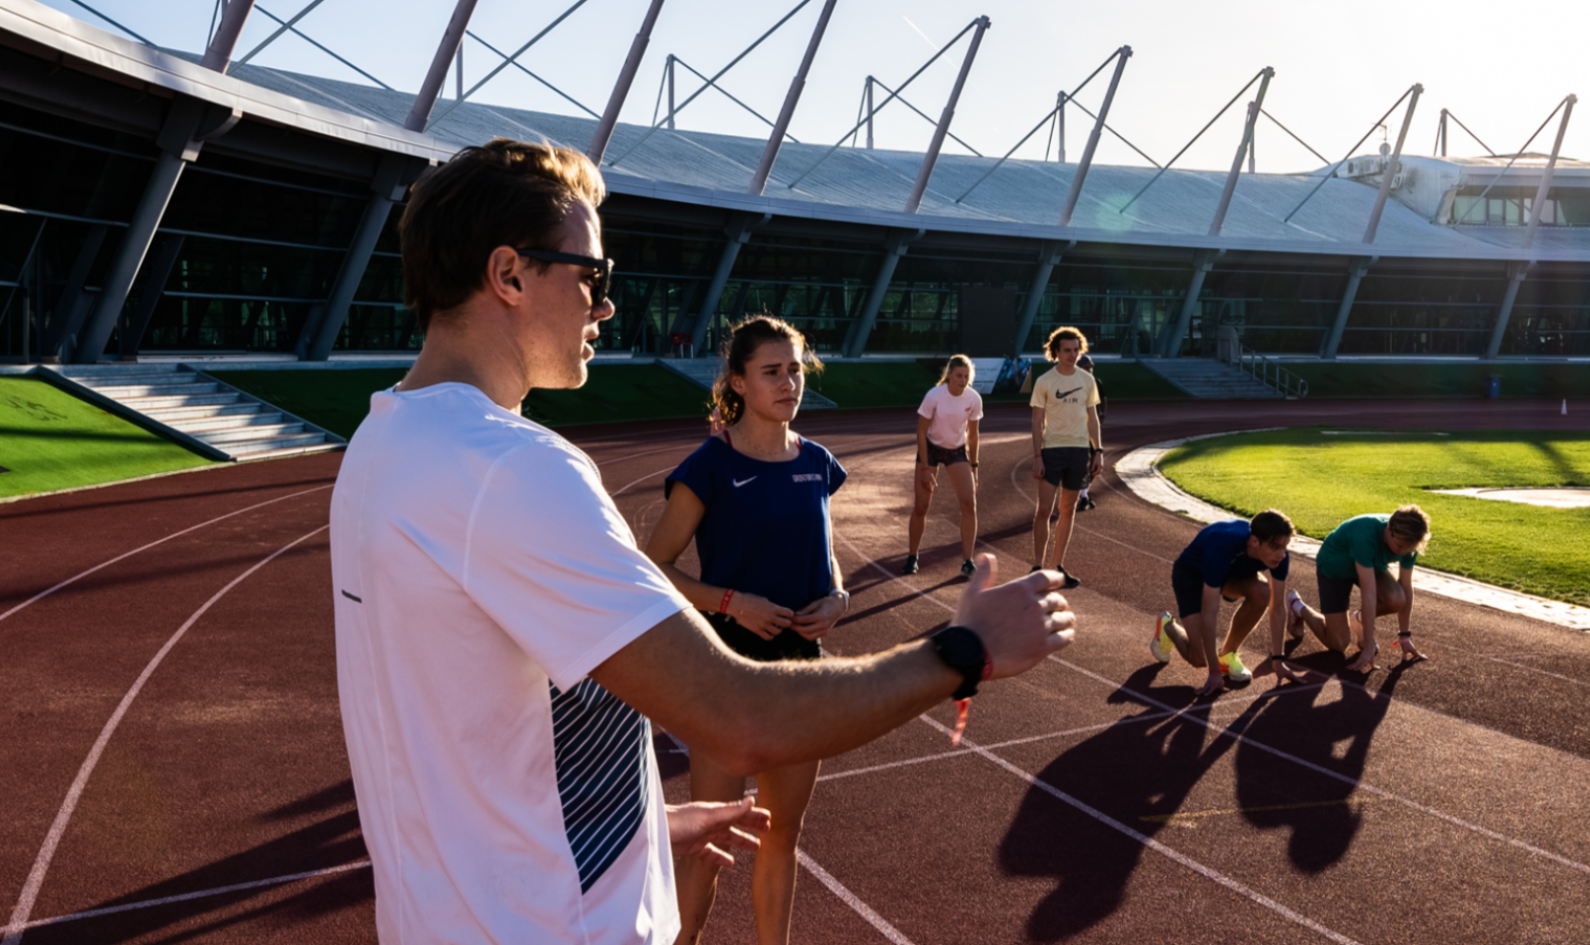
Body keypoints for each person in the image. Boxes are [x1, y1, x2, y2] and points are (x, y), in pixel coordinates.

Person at [329, 138, 1076, 945]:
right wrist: (963, 649)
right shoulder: (511, 469)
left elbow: (475, 727)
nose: (604, 305)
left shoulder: (381, 446)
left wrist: (641, 824)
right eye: (592, 276)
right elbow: (738, 713)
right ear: (509, 275)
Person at [645, 315, 847, 945]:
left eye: (795, 370)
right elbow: (655, 566)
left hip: (800, 671)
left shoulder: (816, 461)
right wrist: (732, 602)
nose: (789, 383)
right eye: (772, 372)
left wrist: (837, 597)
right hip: (726, 673)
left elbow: (826, 552)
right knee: (709, 842)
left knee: (781, 835)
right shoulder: (710, 464)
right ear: (738, 381)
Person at [1150, 510, 1306, 696]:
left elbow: (1278, 608)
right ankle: (1168, 627)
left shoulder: (1279, 556)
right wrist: (1213, 673)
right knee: (1199, 659)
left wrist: (1278, 661)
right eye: (1275, 547)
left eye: (1285, 547)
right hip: (1192, 576)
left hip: (1231, 572)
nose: (1281, 554)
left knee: (1264, 593)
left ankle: (1227, 655)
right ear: (1255, 541)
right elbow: (1210, 613)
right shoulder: (1221, 546)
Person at [1284, 505, 1431, 673]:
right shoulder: (1364, 534)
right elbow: (1368, 593)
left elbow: (1406, 586)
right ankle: (1297, 606)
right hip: (1335, 568)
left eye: (1409, 548)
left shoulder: (1410, 539)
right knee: (1338, 644)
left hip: (1370, 564)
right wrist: (1368, 646)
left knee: (1398, 599)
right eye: (1399, 546)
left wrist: (1404, 636)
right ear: (1389, 529)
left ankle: (1358, 620)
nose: (1404, 552)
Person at [1029, 327, 1104, 588]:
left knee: (1068, 510)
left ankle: (1058, 567)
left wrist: (1098, 450)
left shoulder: (1087, 381)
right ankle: (1038, 567)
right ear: (1056, 352)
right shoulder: (1045, 382)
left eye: (1075, 350)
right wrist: (1037, 456)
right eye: (1067, 351)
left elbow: (1092, 418)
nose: (1072, 355)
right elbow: (1037, 422)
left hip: (1079, 451)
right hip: (1051, 451)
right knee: (1044, 510)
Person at [902, 354, 983, 578]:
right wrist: (926, 469)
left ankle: (967, 561)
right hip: (931, 449)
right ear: (948, 374)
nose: (963, 380)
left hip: (957, 451)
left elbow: (974, 436)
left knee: (969, 504)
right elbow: (920, 432)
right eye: (958, 376)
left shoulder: (974, 399)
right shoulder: (934, 396)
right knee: (921, 506)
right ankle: (912, 556)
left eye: (966, 377)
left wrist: (974, 467)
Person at [1073, 353, 1107, 512]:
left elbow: (1103, 398)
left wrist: (1102, 414)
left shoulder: (1095, 383)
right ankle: (1082, 496)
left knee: (1095, 461)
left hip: (1091, 428)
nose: (1088, 370)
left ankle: (1084, 494)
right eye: (1085, 367)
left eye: (1090, 368)